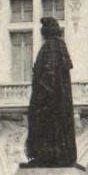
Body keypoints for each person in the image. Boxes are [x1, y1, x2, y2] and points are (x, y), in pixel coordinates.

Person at [25, 17, 77, 166]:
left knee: (46, 128)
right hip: (57, 102)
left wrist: (42, 98)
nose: (41, 31)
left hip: (48, 102)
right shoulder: (59, 47)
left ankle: (47, 155)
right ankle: (55, 154)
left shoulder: (50, 47)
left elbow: (49, 75)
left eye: (43, 27)